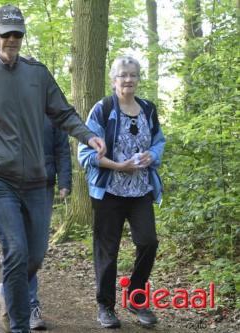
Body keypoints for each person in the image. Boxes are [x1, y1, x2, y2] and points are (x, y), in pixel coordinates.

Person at [0, 5, 106, 332]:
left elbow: (64, 113)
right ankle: (19, 325)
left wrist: (88, 136)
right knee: (16, 251)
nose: (12, 40)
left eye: (17, 34)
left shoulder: (37, 75)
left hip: (38, 181)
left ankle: (8, 291)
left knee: (35, 256)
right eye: (5, 33)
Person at [78, 55, 165, 329]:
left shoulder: (148, 109)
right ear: (113, 79)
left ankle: (135, 297)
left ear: (139, 78)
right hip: (109, 192)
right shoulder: (102, 109)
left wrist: (152, 154)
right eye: (123, 75)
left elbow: (160, 140)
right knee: (108, 250)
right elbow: (85, 153)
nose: (128, 80)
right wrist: (117, 165)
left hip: (140, 191)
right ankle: (105, 306)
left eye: (133, 75)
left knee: (148, 241)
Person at [27, 117, 72, 330]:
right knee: (19, 246)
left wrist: (64, 181)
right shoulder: (10, 100)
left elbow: (62, 148)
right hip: (10, 184)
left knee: (37, 251)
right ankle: (29, 305)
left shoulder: (52, 111)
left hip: (43, 184)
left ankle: (10, 290)